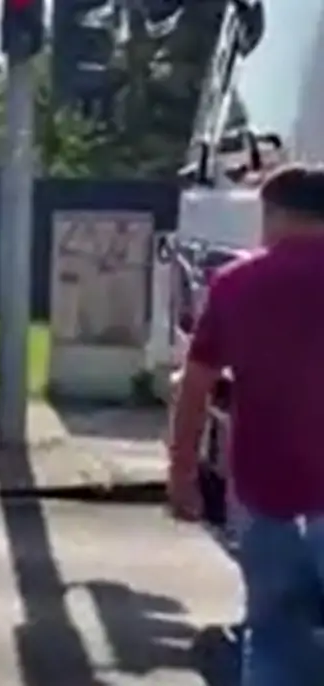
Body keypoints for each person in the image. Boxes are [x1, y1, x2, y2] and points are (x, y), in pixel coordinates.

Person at [168, 164, 324, 685]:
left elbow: (195, 384)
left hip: (265, 488)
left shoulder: (236, 283)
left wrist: (183, 472)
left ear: (274, 214)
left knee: (274, 634)